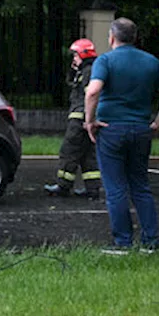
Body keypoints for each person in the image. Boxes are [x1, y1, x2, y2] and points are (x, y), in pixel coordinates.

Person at [83, 17, 159, 254]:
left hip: (111, 128)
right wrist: (157, 123)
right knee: (140, 185)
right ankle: (151, 241)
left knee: (115, 188)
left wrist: (89, 122)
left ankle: (123, 242)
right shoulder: (151, 61)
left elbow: (93, 91)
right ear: (135, 38)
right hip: (140, 128)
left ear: (112, 37)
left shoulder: (105, 61)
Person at [44, 38, 102, 199]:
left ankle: (63, 186)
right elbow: (72, 84)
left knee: (68, 151)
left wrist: (86, 119)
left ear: (84, 54)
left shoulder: (88, 72)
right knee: (87, 155)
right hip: (85, 119)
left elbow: (90, 95)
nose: (74, 58)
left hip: (79, 119)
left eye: (76, 55)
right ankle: (92, 189)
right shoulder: (86, 71)